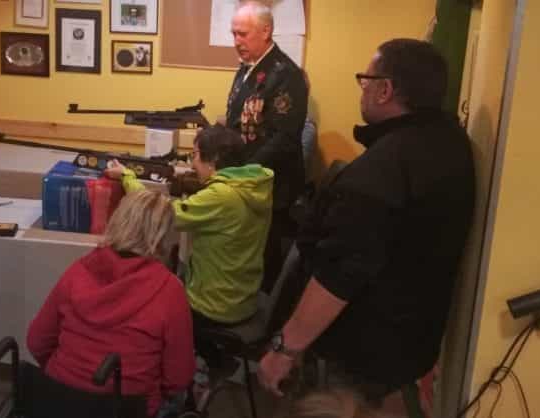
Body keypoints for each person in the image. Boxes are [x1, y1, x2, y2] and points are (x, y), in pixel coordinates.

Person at [257, 38, 475, 416]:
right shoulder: (449, 143)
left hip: (360, 357)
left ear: (385, 90)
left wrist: (285, 348)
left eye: (366, 80)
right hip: (409, 349)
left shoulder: (383, 169)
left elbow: (340, 272)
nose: (362, 89)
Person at [105, 125, 273, 363]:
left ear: (214, 159)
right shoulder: (253, 185)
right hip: (241, 296)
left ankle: (174, 368)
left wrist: (126, 177)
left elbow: (158, 213)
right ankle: (214, 360)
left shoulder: (222, 196)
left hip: (216, 305)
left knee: (149, 306)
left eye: (195, 155)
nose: (193, 163)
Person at [27, 190, 195, 418]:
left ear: (117, 220)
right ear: (163, 237)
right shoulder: (170, 289)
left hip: (59, 401)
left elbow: (37, 341)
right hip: (128, 409)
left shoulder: (78, 271)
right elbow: (178, 378)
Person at [226, 1, 309, 293]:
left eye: (243, 34)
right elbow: (237, 120)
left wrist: (242, 173)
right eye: (234, 34)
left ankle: (264, 311)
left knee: (265, 258)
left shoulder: (286, 74)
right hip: (246, 180)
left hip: (272, 184)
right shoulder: (247, 67)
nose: (237, 41)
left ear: (266, 31)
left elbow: (284, 139)